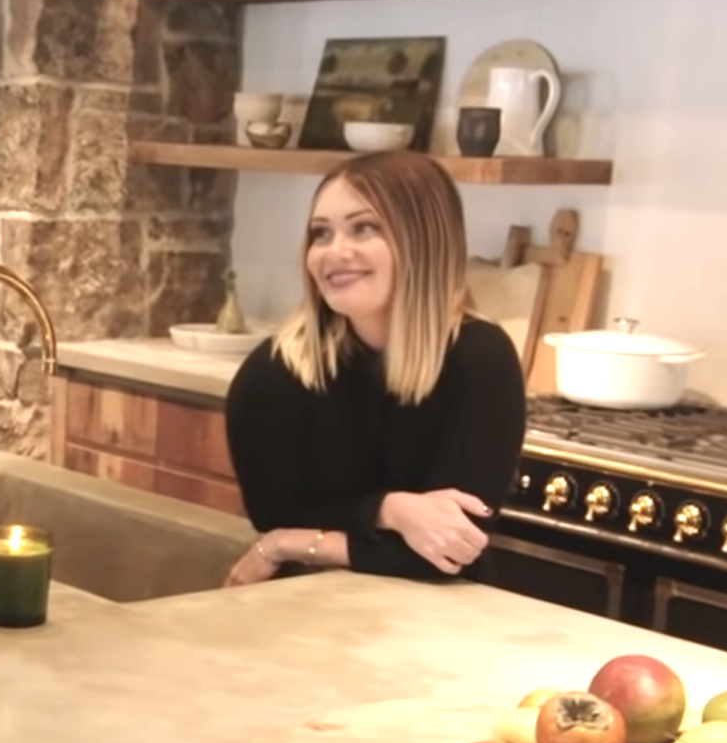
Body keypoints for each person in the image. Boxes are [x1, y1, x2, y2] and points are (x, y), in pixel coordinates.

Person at [220, 149, 527, 586]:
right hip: (296, 610)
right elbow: (274, 513)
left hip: (436, 626)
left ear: (423, 240)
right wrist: (392, 510)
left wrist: (287, 544)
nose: (334, 251)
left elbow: (448, 554)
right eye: (320, 234)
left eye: (364, 228)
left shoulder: (481, 361)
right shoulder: (274, 374)